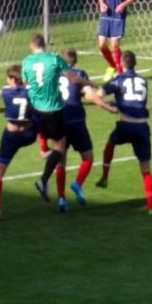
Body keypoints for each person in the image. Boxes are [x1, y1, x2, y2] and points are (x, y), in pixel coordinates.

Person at [22, 33, 83, 207]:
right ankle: (43, 180)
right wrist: (90, 84)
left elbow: (26, 84)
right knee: (60, 147)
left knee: (38, 128)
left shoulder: (26, 62)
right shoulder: (55, 58)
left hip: (35, 108)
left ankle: (43, 149)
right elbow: (72, 78)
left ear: (31, 46)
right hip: (53, 109)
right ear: (45, 45)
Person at [52, 49, 116, 212]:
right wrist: (107, 106)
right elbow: (91, 96)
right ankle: (78, 183)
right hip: (76, 121)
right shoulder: (79, 74)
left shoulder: (54, 75)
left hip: (59, 121)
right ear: (75, 61)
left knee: (60, 161)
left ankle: (61, 199)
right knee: (87, 158)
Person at [93, 51, 152, 214]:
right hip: (142, 127)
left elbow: (98, 95)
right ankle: (150, 207)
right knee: (146, 168)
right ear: (136, 63)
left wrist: (108, 106)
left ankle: (105, 177)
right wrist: (118, 101)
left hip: (126, 125)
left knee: (110, 143)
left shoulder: (118, 79)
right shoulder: (143, 80)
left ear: (121, 63)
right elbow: (134, 100)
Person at [0, 66, 41, 222]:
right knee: (43, 118)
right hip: (29, 134)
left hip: (11, 136)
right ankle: (45, 150)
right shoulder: (31, 91)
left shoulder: (5, 92)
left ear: (11, 79)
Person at [97, 0, 137, 82]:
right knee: (102, 45)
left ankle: (120, 73)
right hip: (106, 14)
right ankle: (112, 66)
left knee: (114, 44)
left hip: (119, 16)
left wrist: (123, 4)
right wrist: (101, 3)